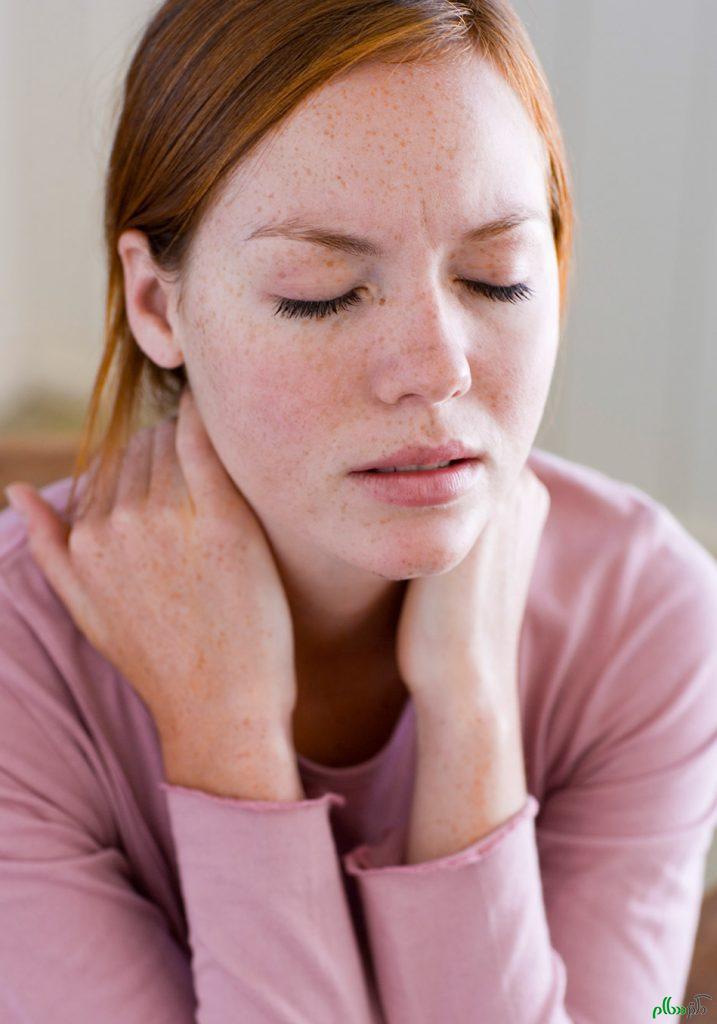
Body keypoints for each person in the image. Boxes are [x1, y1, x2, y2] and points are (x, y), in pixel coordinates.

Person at [1, 1, 716, 1021]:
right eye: (321, 291)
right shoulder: (19, 670)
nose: (436, 368)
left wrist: (472, 709)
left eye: (497, 279)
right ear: (157, 305)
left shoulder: (651, 615)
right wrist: (226, 739)